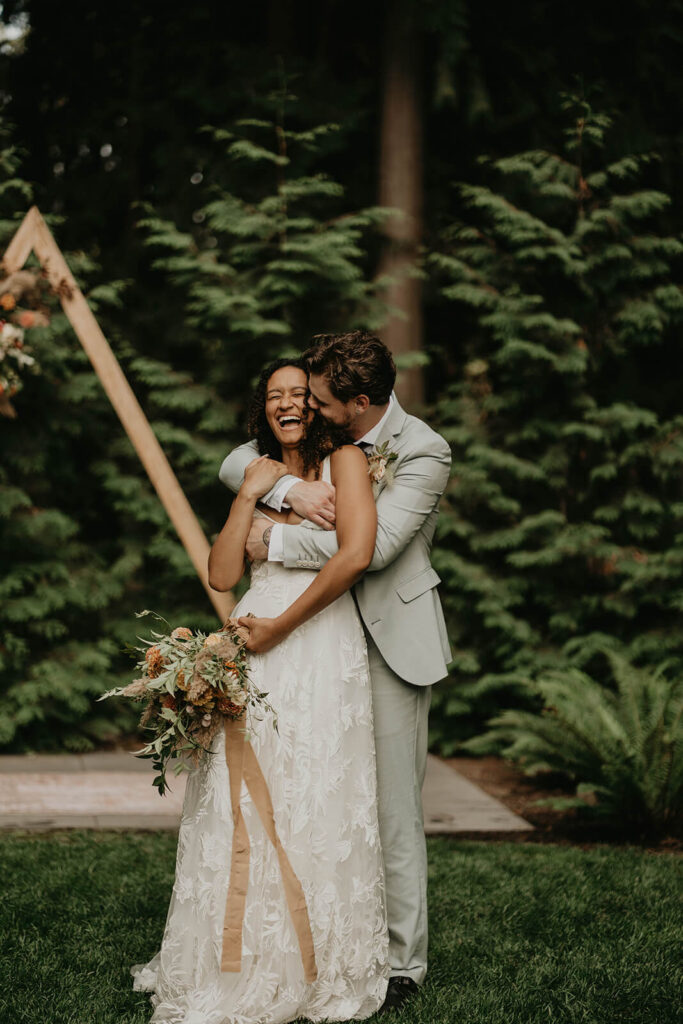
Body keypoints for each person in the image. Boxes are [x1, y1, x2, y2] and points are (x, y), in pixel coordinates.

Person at [131, 358, 390, 1024]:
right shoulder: (257, 473)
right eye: (274, 396)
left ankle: (318, 965)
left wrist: (279, 625)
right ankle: (237, 959)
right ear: (262, 409)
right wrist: (250, 493)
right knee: (234, 794)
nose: (287, 404)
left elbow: (352, 557)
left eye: (299, 394)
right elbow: (221, 575)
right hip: (253, 640)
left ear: (320, 405)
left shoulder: (348, 466)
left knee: (317, 790)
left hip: (316, 638)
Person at [220, 331, 452, 1012]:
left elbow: (372, 548)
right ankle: (324, 936)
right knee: (316, 795)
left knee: (391, 808)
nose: (307, 407)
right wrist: (290, 488)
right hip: (318, 641)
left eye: (319, 400)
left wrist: (278, 539)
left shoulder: (422, 450)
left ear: (355, 403)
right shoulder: (327, 436)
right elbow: (239, 458)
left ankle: (402, 964)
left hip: (384, 637)